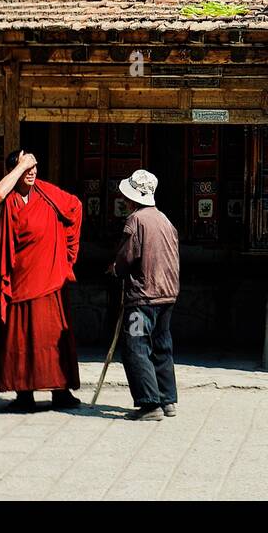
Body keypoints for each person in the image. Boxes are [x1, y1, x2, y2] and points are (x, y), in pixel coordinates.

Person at [0, 149, 83, 412]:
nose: (31, 171)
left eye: (34, 166)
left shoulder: (46, 193)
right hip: (20, 280)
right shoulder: (9, 199)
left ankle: (61, 391)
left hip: (50, 278)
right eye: (25, 167)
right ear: (14, 170)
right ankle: (24, 394)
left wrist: (65, 255)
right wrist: (19, 167)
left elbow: (75, 207)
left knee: (52, 337)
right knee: (20, 340)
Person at [109, 169, 180, 421]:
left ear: (132, 198)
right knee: (161, 346)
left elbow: (127, 256)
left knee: (136, 347)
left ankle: (150, 405)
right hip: (167, 295)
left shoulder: (136, 220)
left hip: (144, 298)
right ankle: (167, 399)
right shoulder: (164, 220)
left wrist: (115, 269)